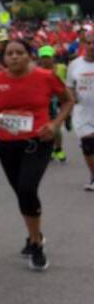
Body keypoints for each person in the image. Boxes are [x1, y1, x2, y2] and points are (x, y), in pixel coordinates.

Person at [0, 38, 73, 271]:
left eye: (20, 52)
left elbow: (68, 100)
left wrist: (55, 124)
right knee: (21, 192)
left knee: (28, 188)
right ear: (4, 57)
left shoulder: (45, 76)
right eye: (10, 53)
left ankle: (36, 245)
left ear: (30, 55)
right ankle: (34, 233)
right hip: (6, 143)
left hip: (37, 141)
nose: (14, 57)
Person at [65, 26, 94, 191]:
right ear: (83, 44)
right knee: (89, 146)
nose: (91, 46)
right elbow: (69, 86)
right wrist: (72, 97)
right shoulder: (74, 65)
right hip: (83, 113)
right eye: (88, 43)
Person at [36, 46, 68, 164]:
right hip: (42, 102)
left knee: (56, 127)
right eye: (43, 57)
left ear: (53, 57)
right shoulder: (36, 71)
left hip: (57, 101)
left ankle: (58, 149)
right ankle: (47, 151)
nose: (46, 60)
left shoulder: (61, 68)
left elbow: (67, 86)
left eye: (48, 57)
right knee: (42, 127)